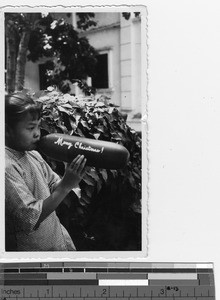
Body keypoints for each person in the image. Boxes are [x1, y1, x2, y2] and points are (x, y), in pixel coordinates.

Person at [5, 91, 87, 251]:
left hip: (54, 239)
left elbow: (53, 187)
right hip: (32, 252)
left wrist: (69, 178)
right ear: (6, 130)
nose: (37, 133)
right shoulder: (6, 167)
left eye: (38, 126)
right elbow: (30, 218)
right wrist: (65, 187)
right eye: (30, 128)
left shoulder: (33, 154)